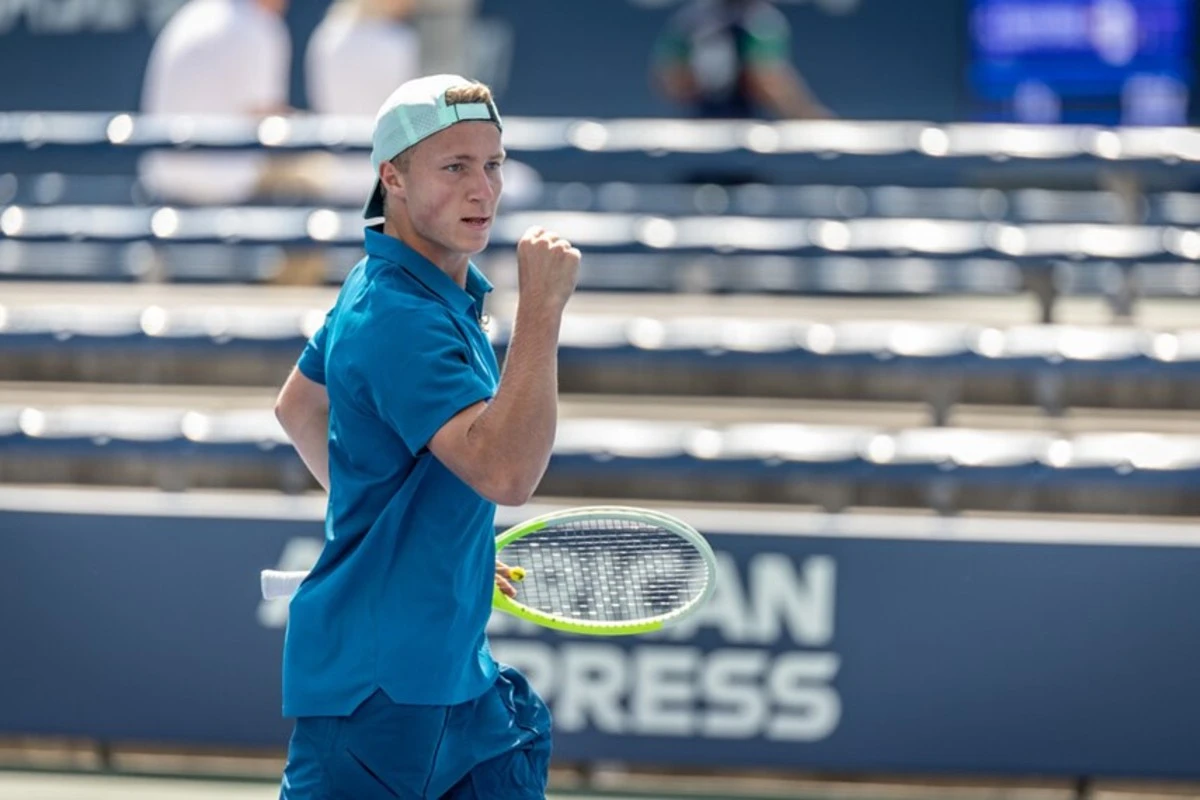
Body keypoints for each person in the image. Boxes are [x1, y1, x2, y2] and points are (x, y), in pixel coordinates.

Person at [273, 74, 580, 798]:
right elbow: (506, 474)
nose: (484, 190)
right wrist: (541, 310)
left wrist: (430, 538)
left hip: (454, 684)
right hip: (377, 698)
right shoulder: (399, 318)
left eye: (493, 164)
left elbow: (299, 407)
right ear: (394, 178)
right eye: (455, 167)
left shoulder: (385, 284)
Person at [139, 0, 292, 205]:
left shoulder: (191, 15)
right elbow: (269, 123)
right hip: (224, 191)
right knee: (321, 169)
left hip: (162, 188)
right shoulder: (257, 26)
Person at [652, 0, 833, 120]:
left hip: (711, 128)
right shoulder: (759, 23)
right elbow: (765, 81)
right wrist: (806, 115)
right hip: (737, 134)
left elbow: (670, 79)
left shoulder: (690, 19)